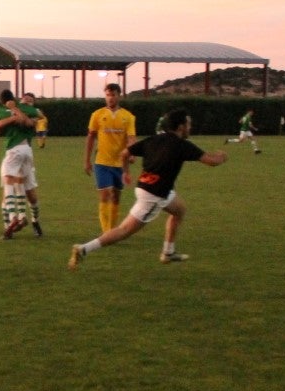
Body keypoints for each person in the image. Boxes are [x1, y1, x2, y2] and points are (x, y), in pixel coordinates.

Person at [69, 108, 227, 270]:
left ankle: (168, 252)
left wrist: (126, 172)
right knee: (124, 230)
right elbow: (211, 161)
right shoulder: (182, 145)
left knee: (179, 210)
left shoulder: (154, 139)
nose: (190, 128)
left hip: (150, 187)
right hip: (154, 194)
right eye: (188, 124)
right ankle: (83, 249)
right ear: (181, 127)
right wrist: (221, 157)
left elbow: (125, 153)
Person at [84, 83, 137, 233]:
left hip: (120, 164)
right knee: (106, 194)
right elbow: (90, 137)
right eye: (108, 95)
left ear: (119, 96)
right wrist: (87, 160)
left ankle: (112, 229)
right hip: (102, 162)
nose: (110, 98)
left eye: (113, 95)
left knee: (116, 196)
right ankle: (106, 231)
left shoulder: (128, 117)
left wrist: (132, 153)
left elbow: (131, 138)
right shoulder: (97, 115)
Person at [0, 90, 44, 238]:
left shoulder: (30, 112)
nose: (27, 100)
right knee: (17, 186)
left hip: (18, 151)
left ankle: (21, 219)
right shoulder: (5, 110)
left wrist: (15, 110)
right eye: (25, 98)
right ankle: (14, 223)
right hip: (23, 153)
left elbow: (30, 121)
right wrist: (13, 117)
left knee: (22, 190)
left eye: (30, 100)